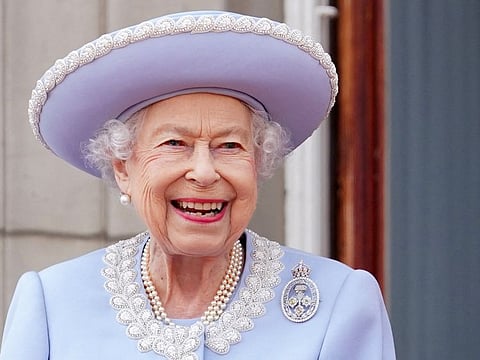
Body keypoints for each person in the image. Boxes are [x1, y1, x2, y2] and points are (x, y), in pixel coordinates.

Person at [0, 10, 395, 360]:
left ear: (257, 164)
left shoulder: (338, 303)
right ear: (123, 168)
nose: (204, 172)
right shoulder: (52, 303)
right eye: (175, 144)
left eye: (229, 146)